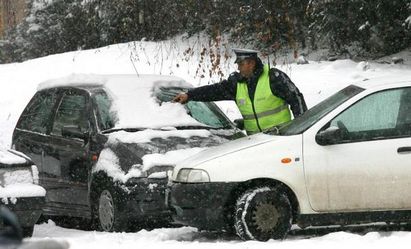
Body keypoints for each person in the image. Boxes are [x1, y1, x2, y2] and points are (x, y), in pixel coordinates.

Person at [173, 48, 307, 135]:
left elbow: (296, 99)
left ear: (251, 63)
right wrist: (189, 95)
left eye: (241, 64)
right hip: (254, 143)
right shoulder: (237, 84)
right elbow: (213, 91)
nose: (238, 68)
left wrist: (301, 130)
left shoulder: (273, 77)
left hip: (281, 137)